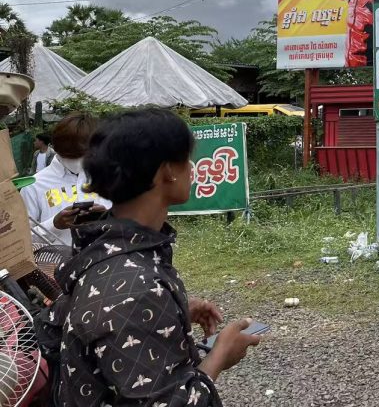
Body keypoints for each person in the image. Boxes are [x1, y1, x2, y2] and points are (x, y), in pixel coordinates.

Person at [38, 108, 261, 406]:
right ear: (167, 170)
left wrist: (171, 312)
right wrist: (220, 356)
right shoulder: (136, 287)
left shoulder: (104, 251)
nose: (192, 167)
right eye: (186, 158)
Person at [20, 113, 110, 246]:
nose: (77, 161)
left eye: (84, 155)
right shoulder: (34, 185)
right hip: (57, 263)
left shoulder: (108, 177)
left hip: (105, 260)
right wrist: (53, 225)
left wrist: (108, 217)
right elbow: (20, 242)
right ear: (56, 148)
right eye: (70, 156)